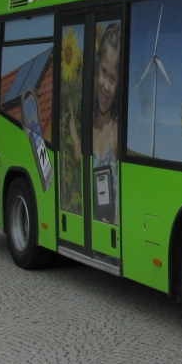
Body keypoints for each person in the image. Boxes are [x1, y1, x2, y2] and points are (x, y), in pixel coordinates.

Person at [69, 22, 121, 224]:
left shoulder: (116, 132)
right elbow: (77, 152)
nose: (105, 86)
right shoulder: (89, 125)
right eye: (103, 73)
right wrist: (70, 112)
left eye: (113, 79)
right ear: (96, 69)